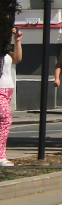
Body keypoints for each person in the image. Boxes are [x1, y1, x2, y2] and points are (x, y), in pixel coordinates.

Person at [0, 27, 21, 167]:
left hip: (8, 90)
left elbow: (17, 59)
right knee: (6, 120)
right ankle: (1, 157)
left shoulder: (5, 51)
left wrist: (17, 40)